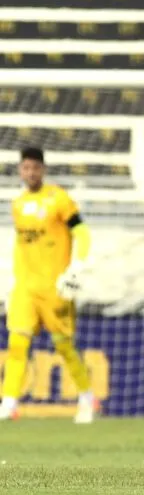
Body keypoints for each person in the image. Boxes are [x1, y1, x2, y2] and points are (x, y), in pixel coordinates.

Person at [1, 146, 97, 423]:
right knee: (17, 343)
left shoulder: (58, 198)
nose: (30, 173)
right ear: (20, 170)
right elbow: (21, 246)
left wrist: (77, 266)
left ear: (42, 169)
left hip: (56, 287)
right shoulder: (17, 204)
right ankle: (9, 403)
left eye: (35, 167)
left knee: (64, 347)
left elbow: (82, 231)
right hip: (25, 288)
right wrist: (11, 281)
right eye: (26, 168)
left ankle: (87, 398)